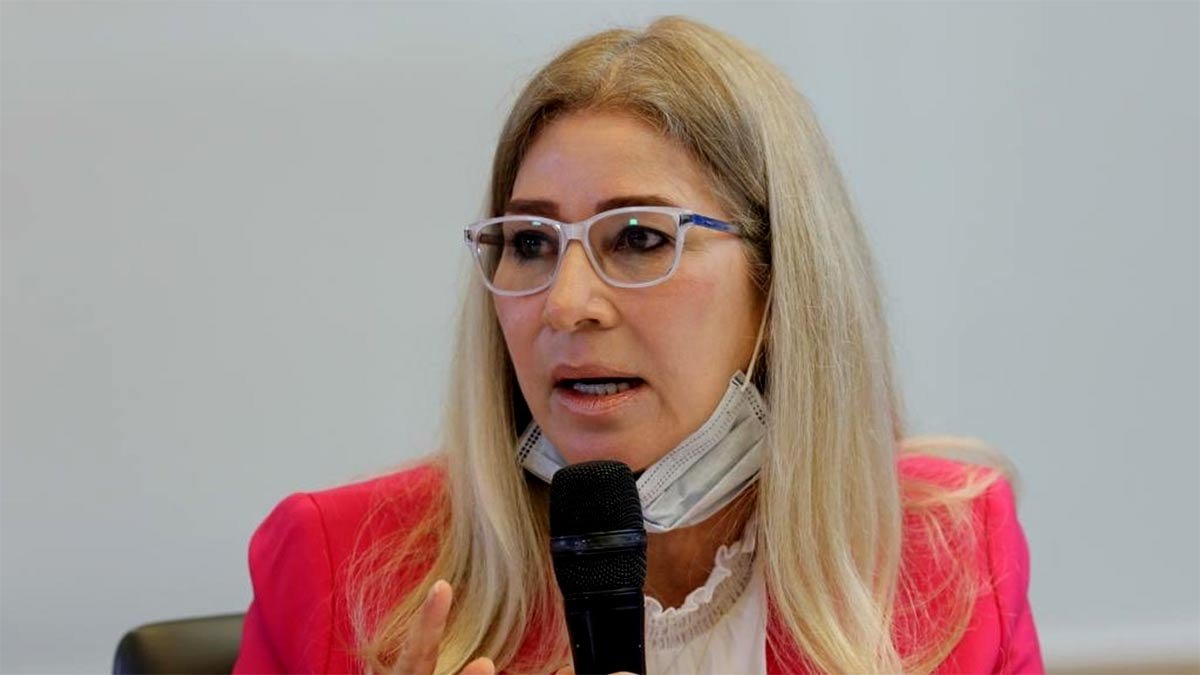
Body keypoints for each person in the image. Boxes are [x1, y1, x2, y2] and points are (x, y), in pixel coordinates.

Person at [232, 16, 1042, 675]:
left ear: (778, 284)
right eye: (531, 243)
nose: (565, 304)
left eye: (639, 238)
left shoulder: (953, 551)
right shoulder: (332, 565)